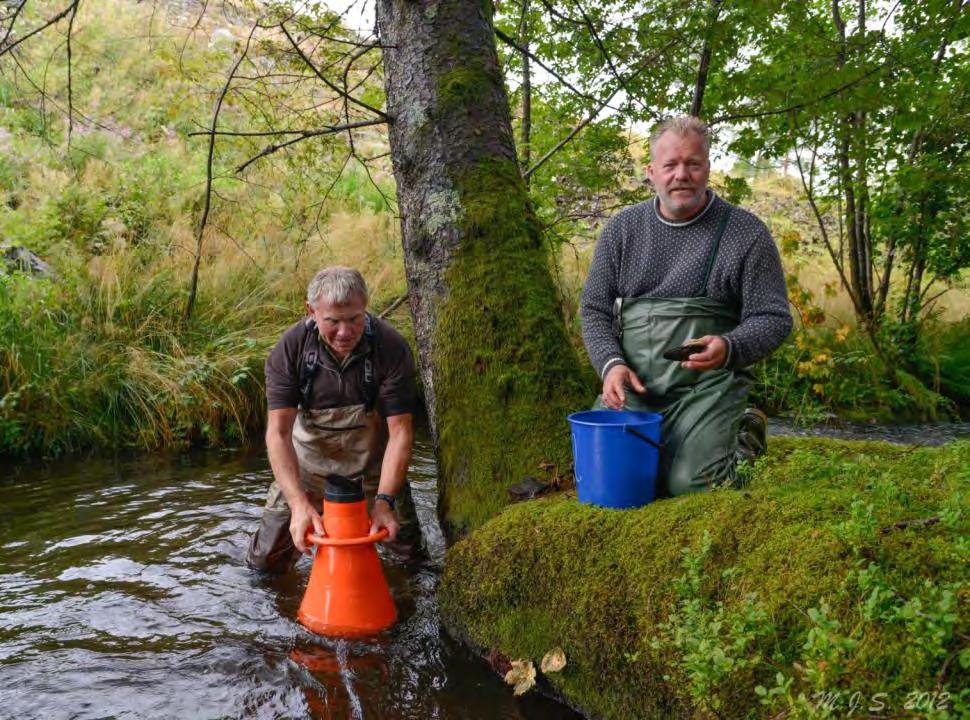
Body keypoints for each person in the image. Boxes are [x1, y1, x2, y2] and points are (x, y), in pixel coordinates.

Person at [580, 116, 793, 495]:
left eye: (693, 164)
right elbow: (594, 309)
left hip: (708, 388)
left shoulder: (746, 233)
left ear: (708, 168)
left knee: (692, 485)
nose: (682, 175)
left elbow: (774, 318)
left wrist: (730, 347)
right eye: (671, 165)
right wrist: (610, 366)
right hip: (635, 386)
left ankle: (745, 433)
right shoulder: (622, 230)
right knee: (612, 478)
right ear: (651, 172)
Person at [247, 266, 422, 573]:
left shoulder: (391, 347)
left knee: (411, 560)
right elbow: (277, 433)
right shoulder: (290, 350)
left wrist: (384, 502)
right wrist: (299, 504)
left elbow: (401, 434)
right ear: (311, 311)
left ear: (365, 307)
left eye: (354, 319)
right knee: (264, 563)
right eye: (332, 321)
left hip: (372, 473)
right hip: (307, 470)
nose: (344, 332)